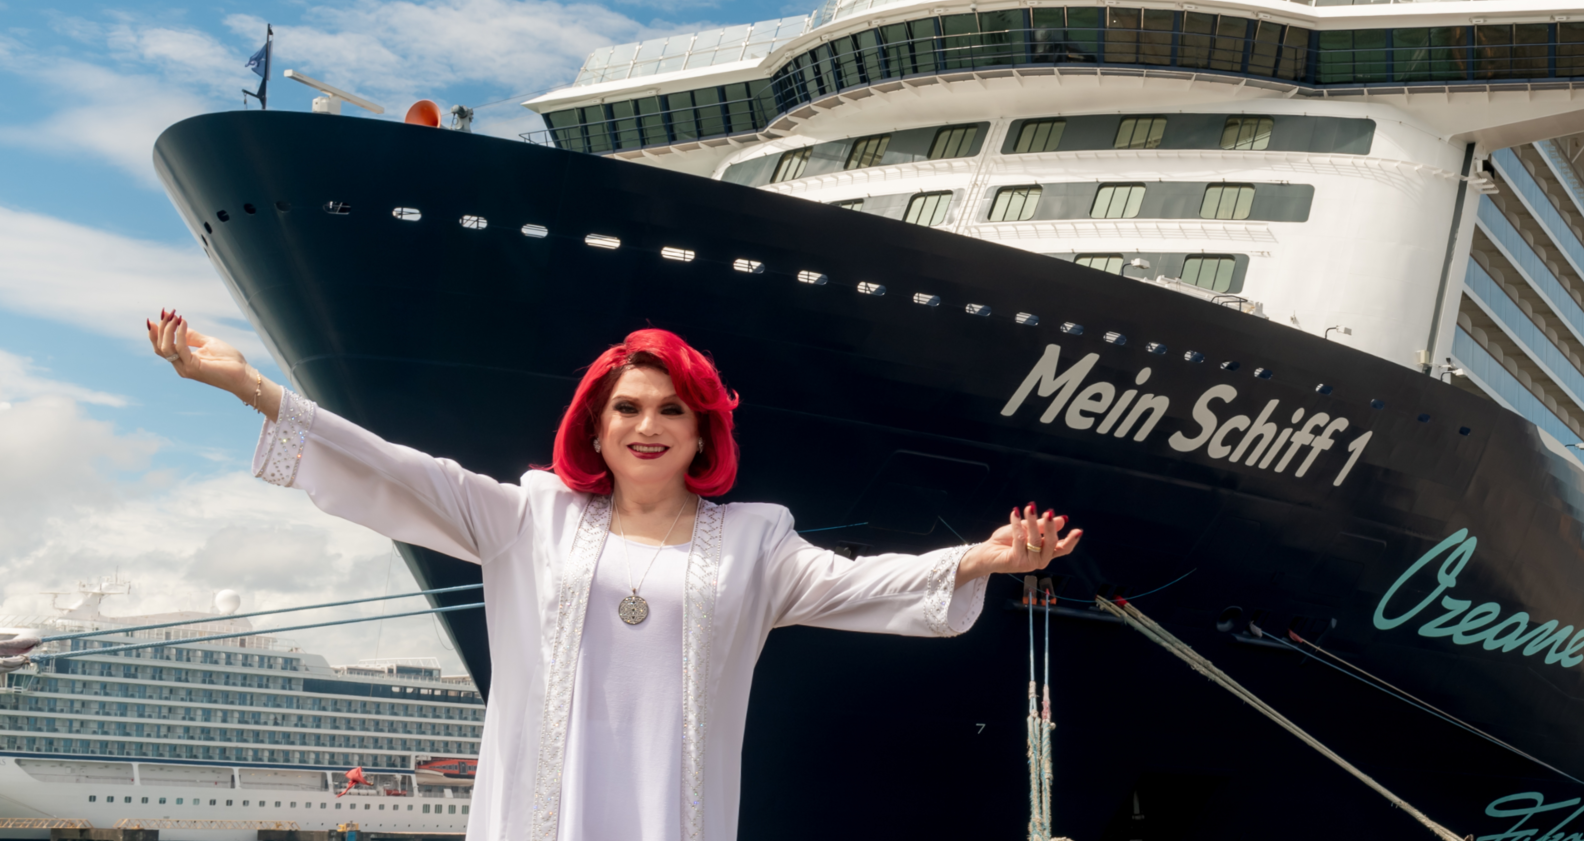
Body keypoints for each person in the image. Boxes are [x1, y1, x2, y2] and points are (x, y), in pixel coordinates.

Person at [147, 311, 1082, 841]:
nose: (648, 425)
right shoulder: (531, 516)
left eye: (673, 409)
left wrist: (987, 557)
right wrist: (249, 385)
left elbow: (863, 583)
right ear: (595, 427)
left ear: (704, 431)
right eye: (627, 408)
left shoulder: (755, 542)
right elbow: (399, 468)